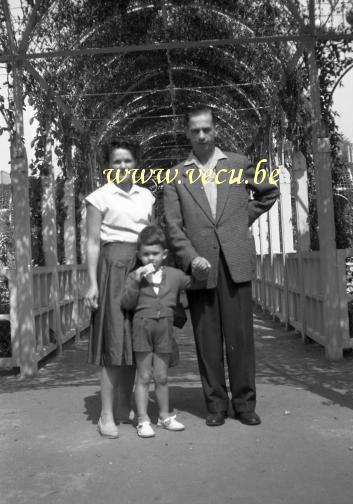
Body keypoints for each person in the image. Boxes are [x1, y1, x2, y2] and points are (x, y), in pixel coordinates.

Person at [163, 105, 279, 427]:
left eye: (206, 129)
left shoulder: (239, 163)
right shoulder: (175, 176)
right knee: (207, 339)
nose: (201, 136)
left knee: (240, 337)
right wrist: (189, 256)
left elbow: (269, 193)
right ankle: (215, 405)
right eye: (195, 130)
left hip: (236, 261)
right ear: (187, 133)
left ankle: (244, 405)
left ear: (215, 130)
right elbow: (173, 226)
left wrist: (242, 219)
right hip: (200, 267)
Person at [84, 138, 155, 439]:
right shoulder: (99, 197)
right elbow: (91, 241)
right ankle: (105, 415)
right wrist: (91, 282)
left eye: (127, 161)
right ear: (108, 166)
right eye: (117, 162)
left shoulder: (147, 196)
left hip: (141, 267)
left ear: (135, 164)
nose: (123, 166)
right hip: (112, 268)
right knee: (114, 341)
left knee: (136, 339)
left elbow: (152, 238)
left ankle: (128, 405)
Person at [120, 225, 190, 438]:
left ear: (164, 254)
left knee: (161, 376)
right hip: (142, 328)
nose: (151, 258)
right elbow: (127, 303)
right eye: (146, 254)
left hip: (164, 328)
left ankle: (165, 416)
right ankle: (143, 419)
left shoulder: (174, 275)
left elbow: (194, 281)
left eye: (155, 253)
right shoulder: (134, 276)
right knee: (143, 376)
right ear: (139, 255)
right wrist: (135, 280)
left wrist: (200, 266)